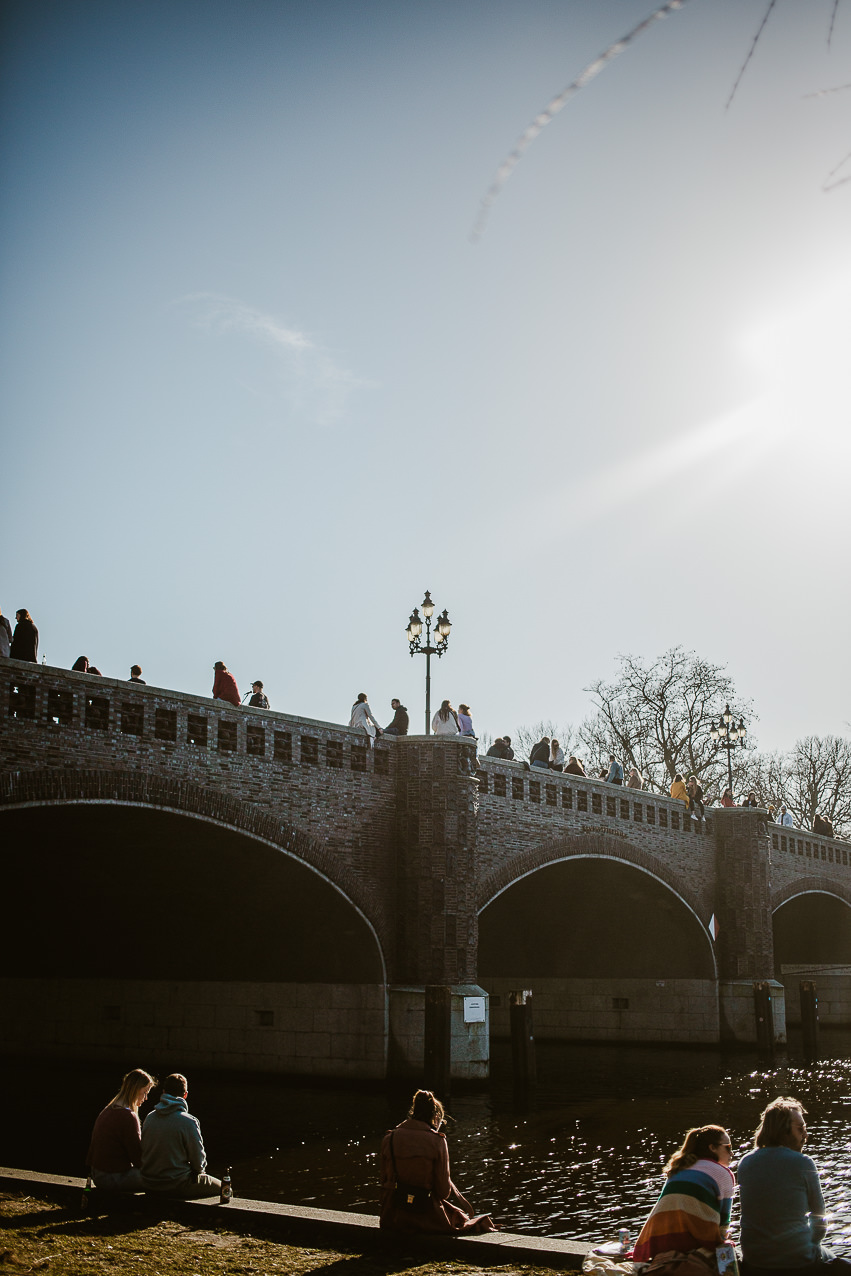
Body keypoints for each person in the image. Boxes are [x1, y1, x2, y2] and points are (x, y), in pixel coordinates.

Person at [737, 1096, 850, 1276]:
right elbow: (820, 1222)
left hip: (754, 1261)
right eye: (800, 1128)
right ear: (783, 1130)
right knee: (840, 1262)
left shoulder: (745, 1162)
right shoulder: (803, 1163)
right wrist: (809, 1245)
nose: (805, 1134)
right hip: (798, 1263)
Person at [379, 1089, 496, 1235]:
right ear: (434, 1114)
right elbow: (443, 1192)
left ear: (413, 1110)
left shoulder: (389, 1139)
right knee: (464, 1219)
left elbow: (384, 1180)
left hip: (393, 1215)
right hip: (425, 1215)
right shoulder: (437, 1141)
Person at [633, 1124, 735, 1263]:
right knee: (732, 1254)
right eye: (728, 1147)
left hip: (659, 1243)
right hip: (693, 1244)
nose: (732, 1153)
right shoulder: (722, 1173)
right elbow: (724, 1223)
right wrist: (724, 1240)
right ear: (712, 1148)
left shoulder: (680, 1167)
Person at [140, 1073, 221, 1198]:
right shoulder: (189, 1122)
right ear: (185, 1095)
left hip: (149, 1184)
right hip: (176, 1184)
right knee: (225, 1188)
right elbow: (198, 1162)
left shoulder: (150, 1118)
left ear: (163, 1092)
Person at [86, 1068, 155, 1193]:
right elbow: (138, 1158)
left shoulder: (108, 1110)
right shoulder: (128, 1116)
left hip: (97, 1174)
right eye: (145, 1092)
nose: (146, 1098)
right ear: (135, 1090)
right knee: (160, 1179)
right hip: (112, 1177)